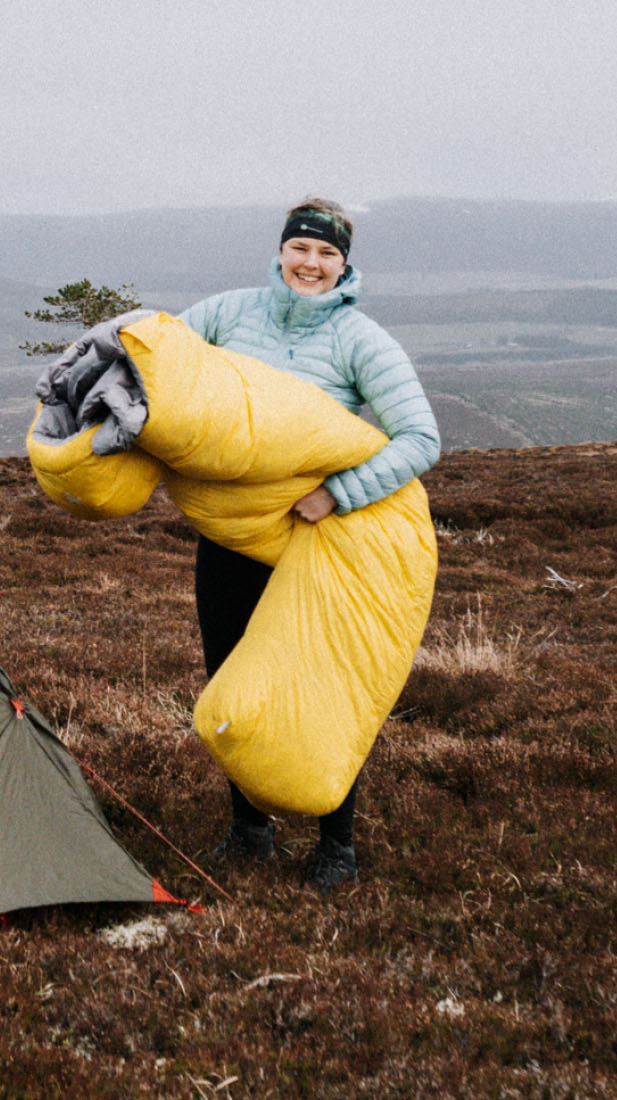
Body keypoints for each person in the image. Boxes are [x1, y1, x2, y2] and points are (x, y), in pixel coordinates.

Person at [179, 198, 440, 891]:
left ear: (344, 266)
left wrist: (337, 495)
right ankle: (250, 830)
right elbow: (162, 363)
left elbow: (421, 438)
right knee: (231, 680)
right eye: (300, 248)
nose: (311, 264)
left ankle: (336, 846)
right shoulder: (228, 314)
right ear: (280, 251)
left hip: (311, 547)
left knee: (318, 689)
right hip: (229, 542)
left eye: (327, 254)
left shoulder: (360, 340)